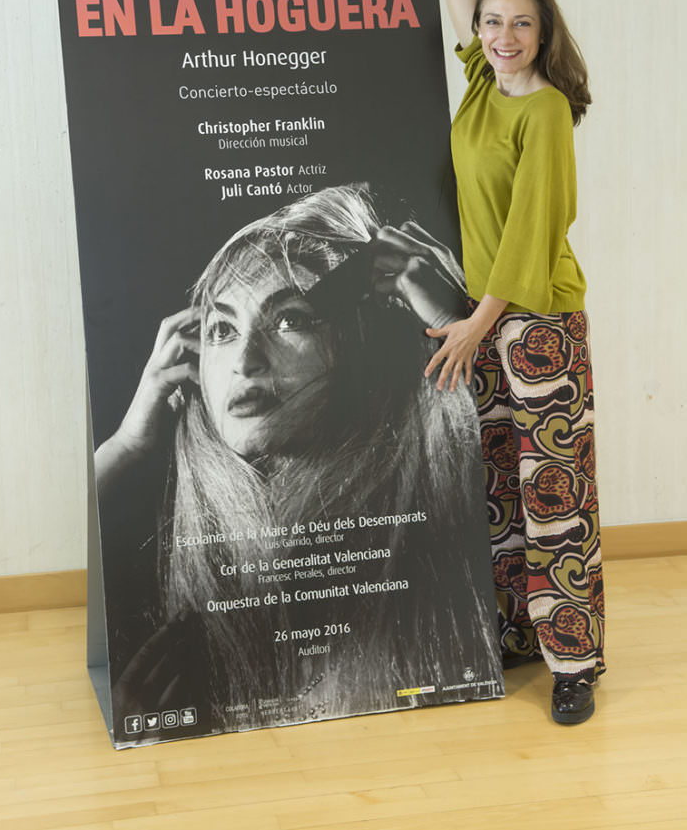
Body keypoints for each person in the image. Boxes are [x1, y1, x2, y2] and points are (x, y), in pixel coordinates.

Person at [95, 184, 503, 739]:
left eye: (290, 320)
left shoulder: (438, 520)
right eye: (221, 329)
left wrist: (458, 323)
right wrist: (126, 445)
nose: (244, 360)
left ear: (361, 339)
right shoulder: (162, 561)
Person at [370, 0, 605, 725]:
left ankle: (574, 661)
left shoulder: (542, 109)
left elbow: (532, 234)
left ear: (545, 37)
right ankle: (519, 637)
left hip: (537, 319)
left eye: (521, 25)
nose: (503, 36)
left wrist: (478, 324)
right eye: (493, 22)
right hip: (484, 319)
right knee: (501, 491)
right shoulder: (481, 89)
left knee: (554, 498)